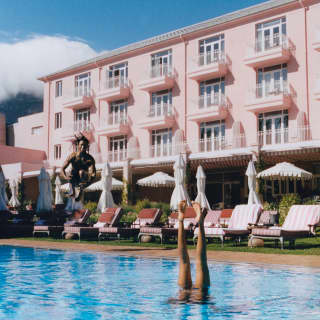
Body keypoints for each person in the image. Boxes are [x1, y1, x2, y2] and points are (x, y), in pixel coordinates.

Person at [175, 200, 210, 303]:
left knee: (184, 261)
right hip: (201, 295)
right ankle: (200, 224)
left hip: (183, 295)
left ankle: (180, 220)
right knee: (201, 262)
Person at [61, 134, 96, 201]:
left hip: (83, 177)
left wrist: (88, 183)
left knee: (81, 172)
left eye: (85, 145)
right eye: (81, 145)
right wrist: (65, 177)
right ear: (78, 145)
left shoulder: (90, 158)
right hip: (74, 177)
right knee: (71, 172)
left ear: (87, 146)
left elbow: (93, 174)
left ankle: (80, 190)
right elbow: (62, 168)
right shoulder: (72, 156)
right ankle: (73, 192)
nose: (83, 147)